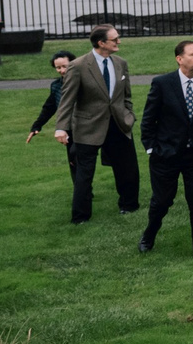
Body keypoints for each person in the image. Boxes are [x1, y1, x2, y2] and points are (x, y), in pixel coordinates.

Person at [138, 39, 193, 260]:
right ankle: (148, 236)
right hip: (165, 155)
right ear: (179, 58)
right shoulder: (162, 83)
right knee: (162, 200)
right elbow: (148, 120)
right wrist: (151, 148)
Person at [52, 24, 139, 223]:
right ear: (101, 43)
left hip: (119, 124)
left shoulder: (120, 63)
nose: (119, 41)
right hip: (88, 127)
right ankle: (81, 217)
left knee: (128, 168)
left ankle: (129, 206)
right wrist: (61, 128)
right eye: (114, 39)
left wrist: (129, 115)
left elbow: (127, 96)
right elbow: (67, 100)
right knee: (84, 173)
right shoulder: (78, 66)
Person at [25, 50, 75, 143]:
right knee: (73, 155)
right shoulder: (56, 86)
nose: (62, 71)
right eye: (58, 68)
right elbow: (49, 107)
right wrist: (37, 126)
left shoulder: (83, 82)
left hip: (86, 127)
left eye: (65, 66)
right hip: (68, 127)